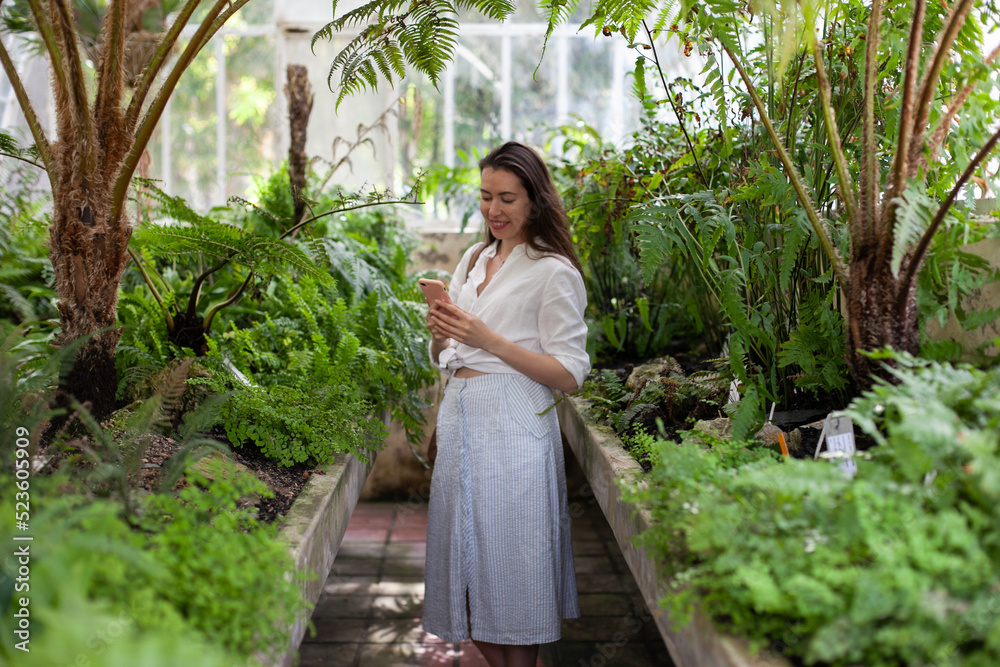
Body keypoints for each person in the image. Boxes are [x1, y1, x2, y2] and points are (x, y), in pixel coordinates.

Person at [422, 141, 591, 667]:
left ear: (535, 201)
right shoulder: (474, 259)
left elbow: (569, 375)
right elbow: (445, 353)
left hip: (516, 426)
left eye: (507, 199)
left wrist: (487, 338)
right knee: (467, 570)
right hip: (462, 418)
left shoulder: (553, 272)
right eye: (485, 197)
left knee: (516, 570)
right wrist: (442, 333)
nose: (493, 210)